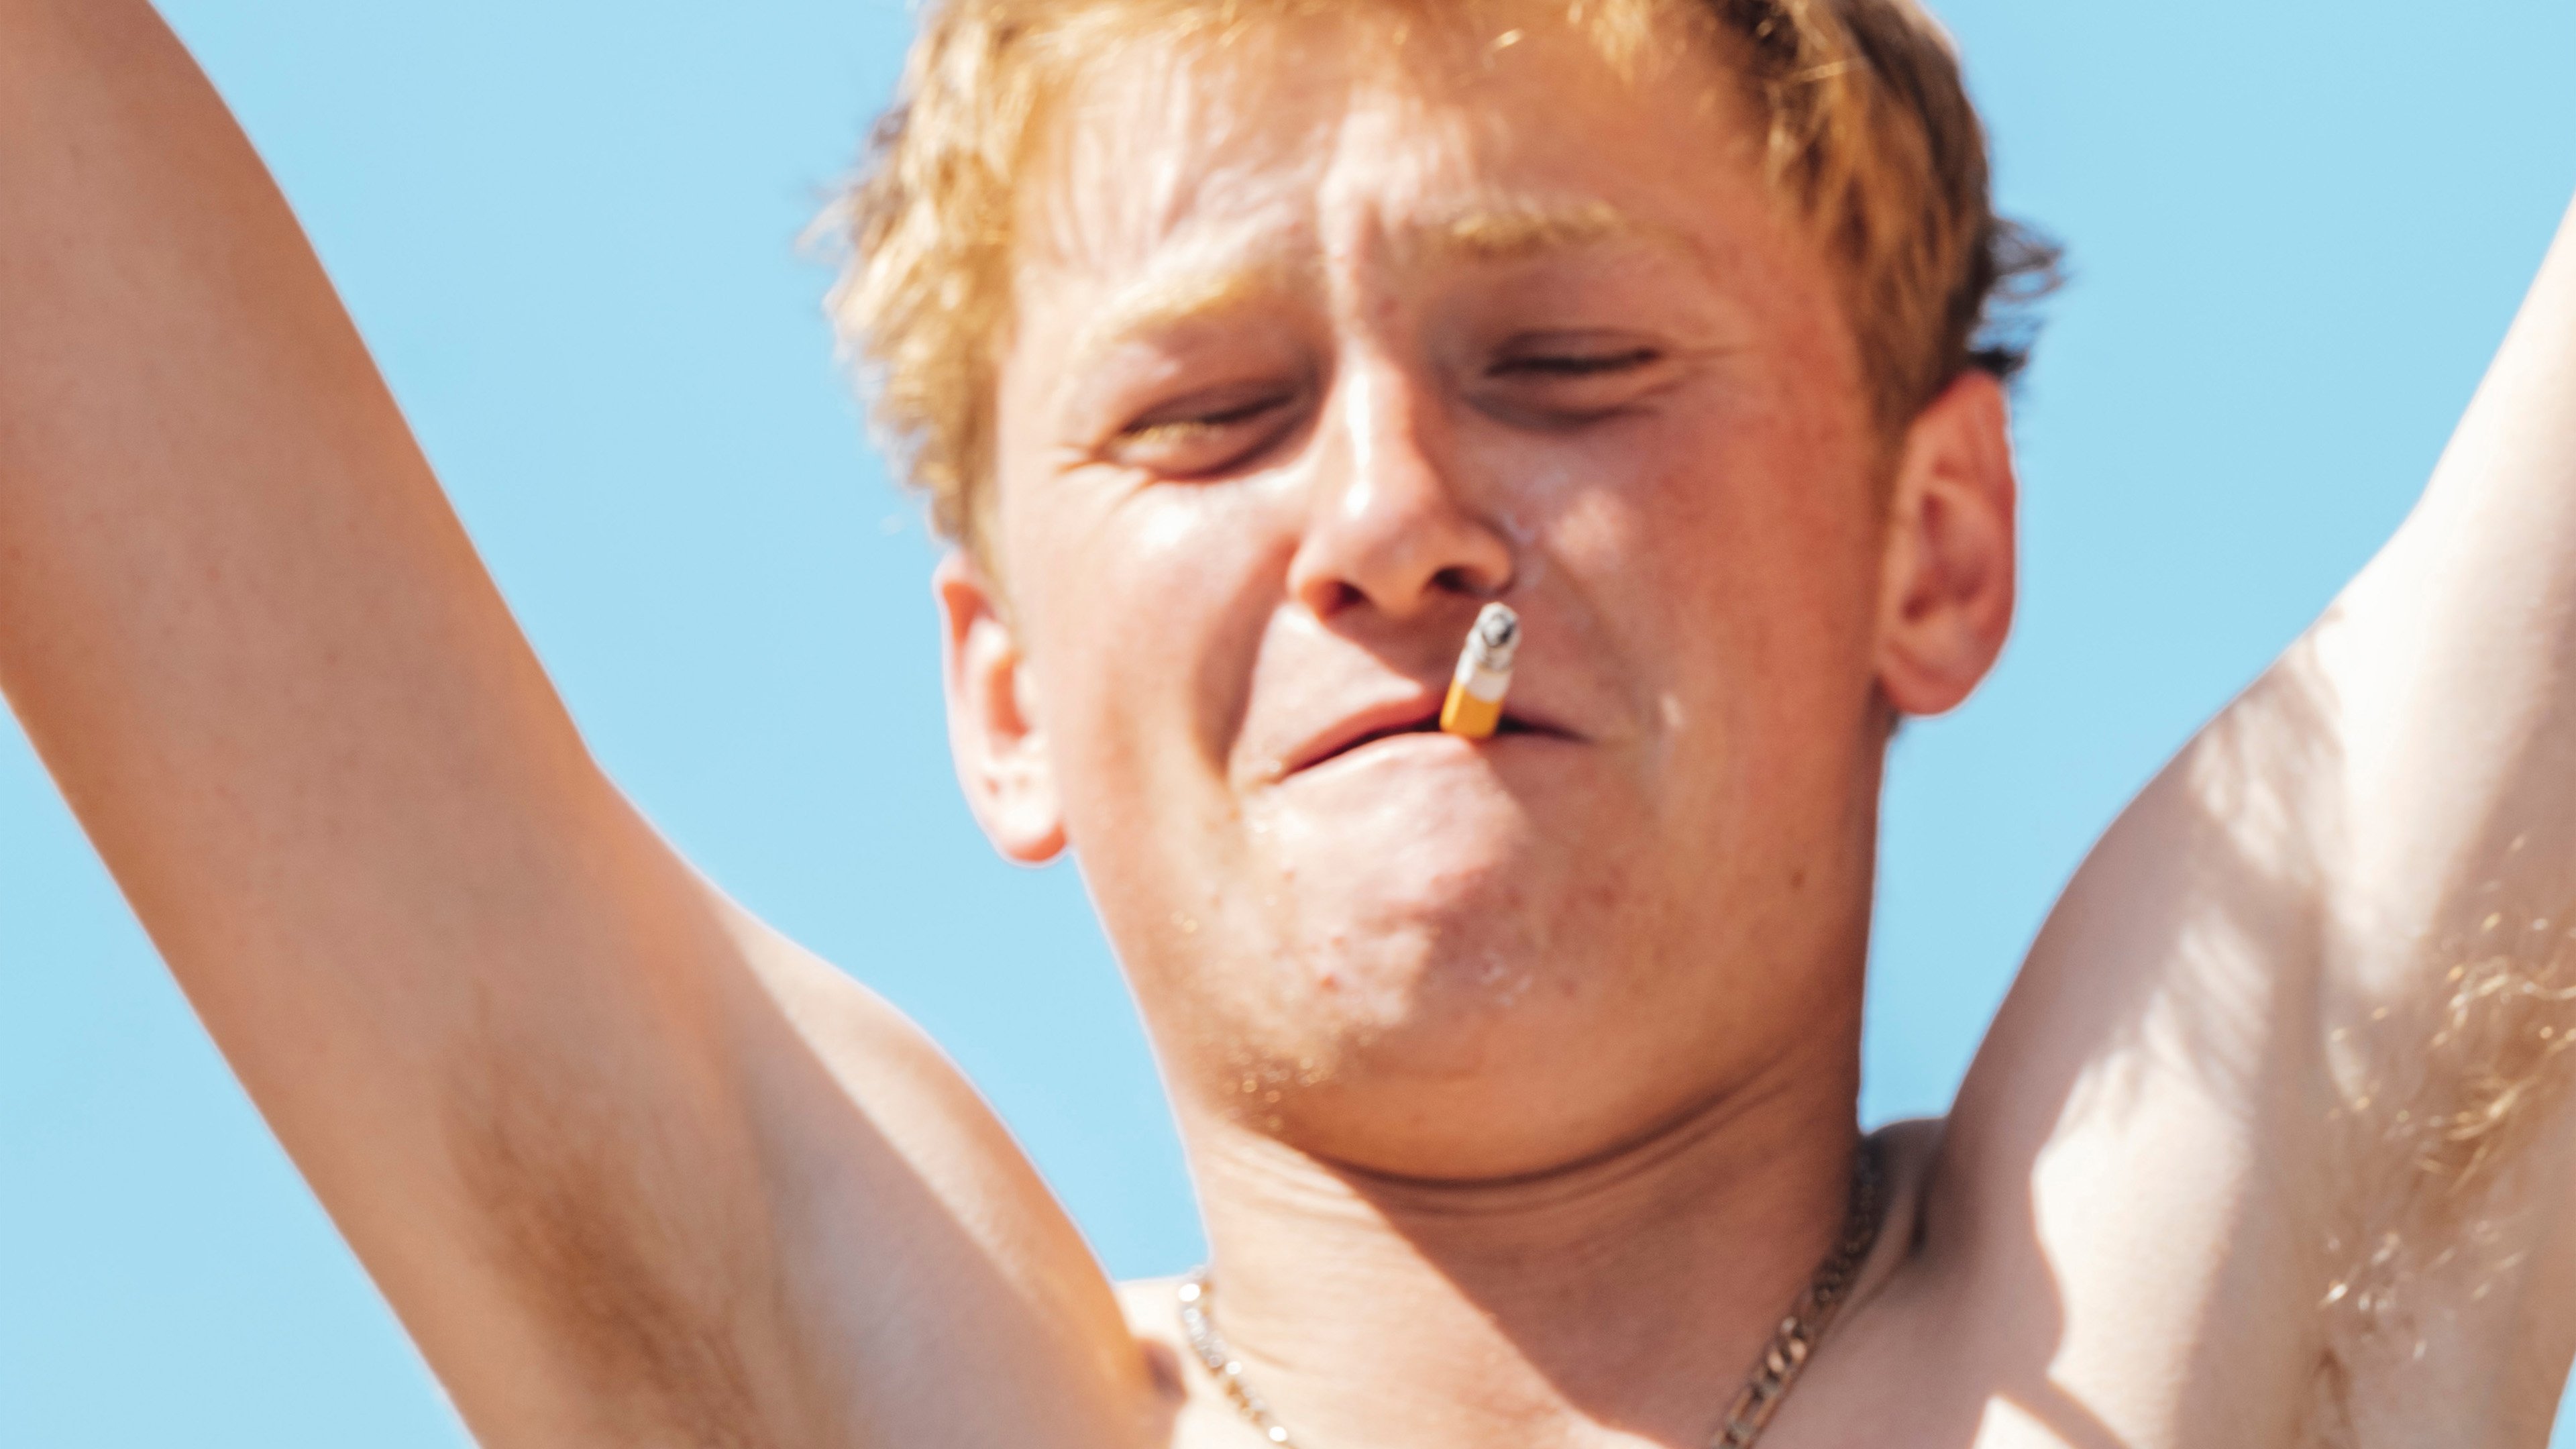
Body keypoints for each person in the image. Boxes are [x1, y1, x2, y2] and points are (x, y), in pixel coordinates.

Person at [3, 0, 2572, 1443]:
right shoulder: (845, 1383)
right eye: (1205, 414)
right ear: (1006, 695)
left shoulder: (2198, 1301)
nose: (1391, 514)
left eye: (1566, 360)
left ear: (1936, 544)